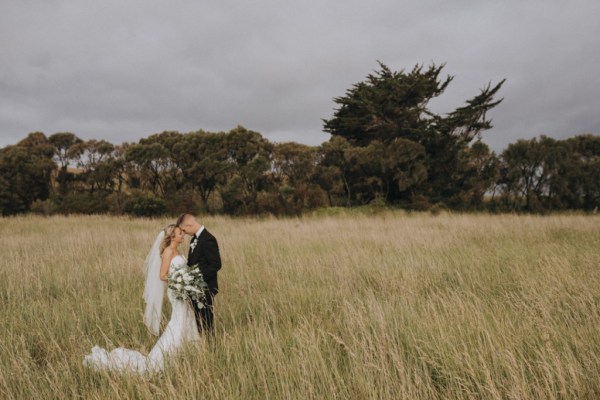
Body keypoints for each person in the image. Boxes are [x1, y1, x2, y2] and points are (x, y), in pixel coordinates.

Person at [83, 224, 200, 374]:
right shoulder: (168, 252)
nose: (182, 235)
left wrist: (187, 280)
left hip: (183, 291)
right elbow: (162, 275)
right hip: (177, 291)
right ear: (172, 237)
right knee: (179, 319)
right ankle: (170, 355)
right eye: (179, 233)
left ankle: (189, 352)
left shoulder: (177, 250)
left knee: (187, 317)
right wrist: (179, 282)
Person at [176, 213, 222, 333]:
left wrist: (196, 279)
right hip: (195, 289)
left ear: (189, 224)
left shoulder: (208, 239)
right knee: (198, 322)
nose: (184, 233)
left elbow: (216, 264)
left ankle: (210, 347)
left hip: (205, 288)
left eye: (184, 230)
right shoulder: (194, 239)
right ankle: (202, 347)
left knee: (206, 323)